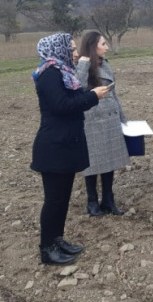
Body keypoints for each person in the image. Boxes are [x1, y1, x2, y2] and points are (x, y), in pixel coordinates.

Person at [31, 33, 110, 265]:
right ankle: (47, 249)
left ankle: (58, 239)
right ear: (58, 49)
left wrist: (91, 95)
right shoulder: (49, 74)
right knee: (54, 200)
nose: (76, 52)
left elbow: (73, 101)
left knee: (63, 199)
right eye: (72, 48)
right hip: (53, 147)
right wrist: (92, 97)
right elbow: (62, 106)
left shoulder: (64, 73)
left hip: (65, 145)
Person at [77, 31, 130, 217]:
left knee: (110, 160)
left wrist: (123, 119)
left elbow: (114, 93)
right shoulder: (82, 65)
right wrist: (83, 63)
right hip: (92, 120)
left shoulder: (105, 63)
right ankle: (92, 202)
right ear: (93, 46)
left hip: (110, 118)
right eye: (103, 44)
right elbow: (78, 87)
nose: (107, 47)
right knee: (92, 163)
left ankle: (108, 200)